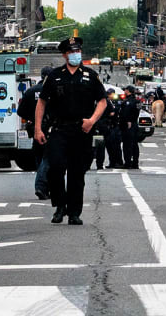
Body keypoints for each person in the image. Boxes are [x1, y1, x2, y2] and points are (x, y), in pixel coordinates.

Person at [35, 37, 107, 226]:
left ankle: (74, 212)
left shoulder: (90, 75)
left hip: (82, 130)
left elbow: (102, 101)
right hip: (59, 129)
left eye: (78, 50)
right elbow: (41, 102)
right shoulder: (55, 76)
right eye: (72, 51)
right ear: (65, 54)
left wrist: (92, 120)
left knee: (77, 173)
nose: (76, 54)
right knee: (55, 169)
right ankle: (60, 206)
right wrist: (37, 128)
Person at [18, 70, 52, 200]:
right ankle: (41, 186)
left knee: (39, 158)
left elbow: (20, 111)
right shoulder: (51, 91)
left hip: (34, 129)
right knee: (48, 159)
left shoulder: (31, 91)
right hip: (48, 128)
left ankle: (44, 188)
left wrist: (31, 118)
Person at [119, 86, 142, 169]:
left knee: (127, 145)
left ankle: (128, 163)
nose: (124, 91)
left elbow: (125, 113)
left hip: (128, 125)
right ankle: (135, 162)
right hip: (135, 124)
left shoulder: (128, 102)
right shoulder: (137, 101)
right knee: (135, 144)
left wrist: (128, 121)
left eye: (125, 90)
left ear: (128, 91)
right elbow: (137, 112)